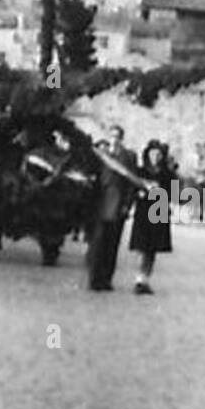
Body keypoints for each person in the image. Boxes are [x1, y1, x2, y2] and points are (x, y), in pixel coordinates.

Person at [86, 124, 138, 290]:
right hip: (101, 203)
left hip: (117, 205)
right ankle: (94, 279)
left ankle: (107, 279)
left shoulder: (128, 156)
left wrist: (127, 205)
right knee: (97, 242)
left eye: (117, 136)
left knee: (112, 244)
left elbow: (131, 184)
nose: (114, 139)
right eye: (112, 136)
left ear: (122, 138)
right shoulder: (102, 155)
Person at [129, 140, 174, 294]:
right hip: (143, 211)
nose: (156, 157)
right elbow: (132, 189)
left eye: (159, 154)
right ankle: (139, 279)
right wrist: (141, 192)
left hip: (159, 211)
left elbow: (172, 193)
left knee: (152, 249)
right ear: (147, 154)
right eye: (153, 154)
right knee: (142, 247)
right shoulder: (140, 172)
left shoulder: (167, 173)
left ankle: (146, 279)